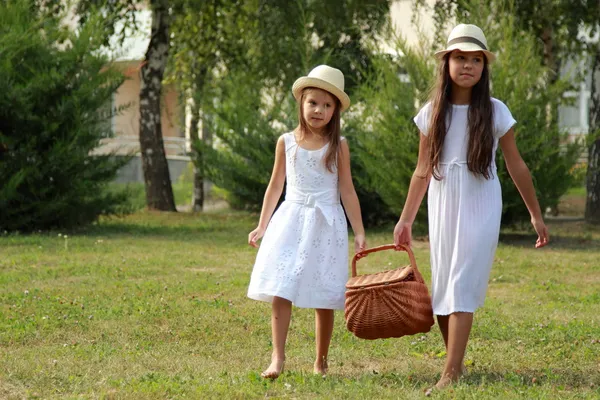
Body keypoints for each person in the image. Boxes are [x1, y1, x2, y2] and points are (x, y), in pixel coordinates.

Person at [392, 24, 549, 391]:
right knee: (445, 285)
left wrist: (535, 215)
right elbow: (421, 170)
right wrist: (405, 220)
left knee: (461, 282)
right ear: (447, 63)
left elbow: (516, 165)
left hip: (481, 201)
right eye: (460, 58)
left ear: (484, 67)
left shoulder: (496, 112)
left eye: (476, 59)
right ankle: (457, 365)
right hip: (444, 199)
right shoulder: (432, 113)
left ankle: (448, 375)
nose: (468, 65)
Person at [247, 65, 366, 379]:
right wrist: (262, 224)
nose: (320, 110)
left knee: (324, 293)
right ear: (301, 102)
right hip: (291, 220)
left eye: (328, 106)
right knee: (281, 287)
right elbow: (275, 186)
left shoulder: (338, 146)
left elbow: (347, 189)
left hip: (326, 224)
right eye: (313, 102)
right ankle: (277, 357)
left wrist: (360, 231)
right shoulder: (286, 142)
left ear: (335, 111)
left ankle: (321, 362)